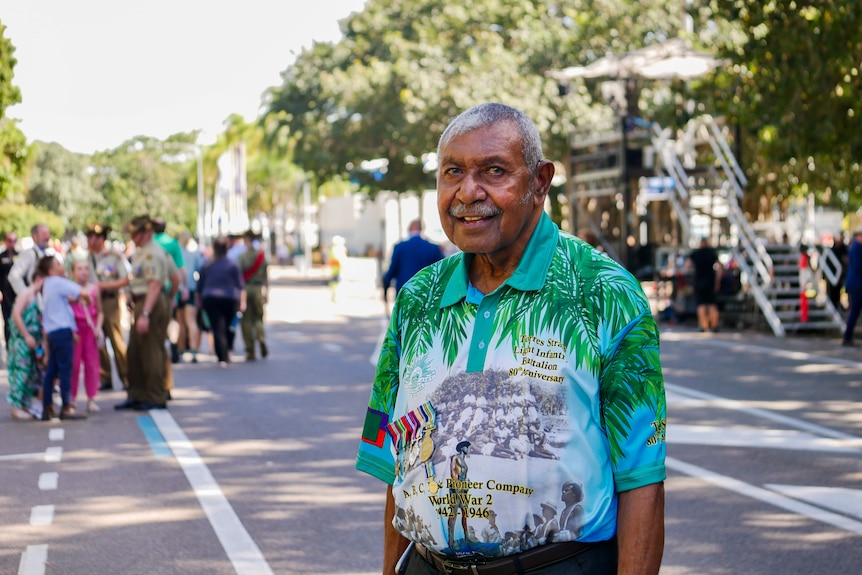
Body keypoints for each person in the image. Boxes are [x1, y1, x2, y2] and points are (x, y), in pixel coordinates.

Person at [356, 103, 666, 575]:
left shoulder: (606, 293)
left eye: (494, 171)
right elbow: (397, 463)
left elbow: (642, 479)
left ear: (540, 181)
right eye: (452, 172)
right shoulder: (418, 297)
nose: (467, 192)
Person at [115, 215, 179, 411]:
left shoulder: (152, 254)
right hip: (147, 302)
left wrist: (147, 313)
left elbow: (155, 284)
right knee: (135, 351)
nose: (133, 237)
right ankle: (138, 393)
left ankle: (154, 396)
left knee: (151, 351)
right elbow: (175, 278)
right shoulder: (147, 252)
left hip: (149, 303)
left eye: (136, 233)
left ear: (147, 233)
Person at [40, 255, 92, 421]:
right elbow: (82, 291)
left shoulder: (47, 284)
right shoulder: (57, 281)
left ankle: (47, 406)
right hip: (62, 331)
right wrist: (88, 301)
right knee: (65, 370)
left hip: (52, 332)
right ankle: (67, 407)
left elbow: (67, 299)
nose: (62, 266)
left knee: (52, 371)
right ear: (51, 270)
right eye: (58, 264)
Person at [86, 223, 131, 390]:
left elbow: (125, 279)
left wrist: (104, 286)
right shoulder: (87, 258)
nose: (91, 240)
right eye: (89, 236)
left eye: (95, 237)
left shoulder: (113, 256)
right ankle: (105, 377)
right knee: (98, 340)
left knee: (116, 338)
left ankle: (126, 377)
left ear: (102, 238)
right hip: (92, 303)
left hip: (109, 301)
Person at [197, 237, 245, 366]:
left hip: (212, 298)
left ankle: (222, 354)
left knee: (218, 327)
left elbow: (199, 287)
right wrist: (242, 301)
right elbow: (241, 286)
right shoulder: (232, 264)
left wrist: (198, 301)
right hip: (229, 298)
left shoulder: (207, 265)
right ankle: (225, 352)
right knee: (227, 326)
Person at [6, 267, 45, 420]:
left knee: (29, 374)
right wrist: (27, 336)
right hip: (21, 341)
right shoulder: (26, 294)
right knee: (20, 373)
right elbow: (16, 314)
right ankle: (16, 407)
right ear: (39, 279)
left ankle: (23, 404)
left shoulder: (36, 296)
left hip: (30, 342)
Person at [69, 259, 103, 414]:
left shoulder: (94, 289)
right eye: (79, 268)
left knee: (91, 365)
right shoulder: (69, 289)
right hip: (75, 329)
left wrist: (98, 327)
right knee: (74, 365)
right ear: (73, 272)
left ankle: (91, 398)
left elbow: (100, 311)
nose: (83, 272)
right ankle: (72, 398)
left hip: (90, 330)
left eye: (86, 268)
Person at [382, 219, 444, 301]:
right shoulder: (433, 248)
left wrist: (385, 291)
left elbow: (392, 271)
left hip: (404, 293)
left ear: (409, 229)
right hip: (426, 294)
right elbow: (443, 272)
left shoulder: (400, 247)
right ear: (421, 229)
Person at [237, 230, 269, 361]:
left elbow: (238, 277)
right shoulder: (261, 256)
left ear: (246, 240)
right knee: (258, 318)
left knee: (246, 321)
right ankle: (261, 337)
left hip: (245, 289)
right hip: (258, 288)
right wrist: (267, 292)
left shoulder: (242, 257)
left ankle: (250, 350)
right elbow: (266, 277)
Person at [178, 231, 203, 363]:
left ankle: (181, 348)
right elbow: (199, 271)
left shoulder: (178, 254)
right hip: (191, 289)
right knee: (191, 321)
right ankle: (193, 349)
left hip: (179, 290)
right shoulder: (195, 255)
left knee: (181, 322)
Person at [7, 223, 51, 299]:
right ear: (35, 236)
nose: (48, 236)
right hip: (37, 304)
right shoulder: (29, 254)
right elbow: (13, 276)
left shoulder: (48, 253)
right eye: (44, 234)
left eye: (48, 233)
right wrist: (27, 297)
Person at [688, 237, 722, 332]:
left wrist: (693, 271)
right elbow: (720, 267)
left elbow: (687, 265)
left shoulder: (696, 253)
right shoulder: (712, 253)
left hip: (699, 281)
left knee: (701, 305)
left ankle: (704, 326)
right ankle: (714, 326)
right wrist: (718, 281)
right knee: (712, 304)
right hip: (710, 282)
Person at [841, 226, 862, 346]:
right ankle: (847, 336)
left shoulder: (857, 248)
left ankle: (848, 336)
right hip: (856, 286)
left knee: (854, 312)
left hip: (857, 285)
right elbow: (858, 266)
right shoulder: (855, 249)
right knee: (854, 312)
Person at [1, 231, 19, 351]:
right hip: (5, 294)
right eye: (9, 240)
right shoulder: (1, 257)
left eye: (14, 241)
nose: (12, 243)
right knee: (8, 320)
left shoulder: (20, 255)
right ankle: (9, 347)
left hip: (18, 294)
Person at [829, 232, 849, 311]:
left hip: (840, 274)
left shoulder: (843, 248)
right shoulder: (833, 249)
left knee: (838, 291)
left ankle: (837, 306)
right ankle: (833, 306)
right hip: (833, 274)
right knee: (832, 292)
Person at [328, 236, 347, 302]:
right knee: (336, 283)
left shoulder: (333, 248)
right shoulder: (336, 249)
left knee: (335, 283)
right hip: (337, 269)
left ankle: (335, 296)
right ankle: (335, 297)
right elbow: (338, 259)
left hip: (335, 268)